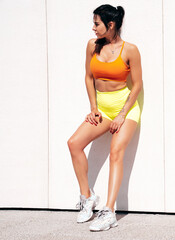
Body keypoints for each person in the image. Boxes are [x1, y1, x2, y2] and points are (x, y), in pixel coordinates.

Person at [67, 4, 142, 232]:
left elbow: (137, 85)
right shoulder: (92, 46)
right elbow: (89, 77)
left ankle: (109, 212)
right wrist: (93, 107)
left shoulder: (130, 50)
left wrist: (121, 115)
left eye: (97, 24)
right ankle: (87, 196)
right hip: (103, 109)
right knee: (74, 143)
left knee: (115, 152)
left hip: (126, 109)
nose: (93, 28)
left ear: (110, 25)